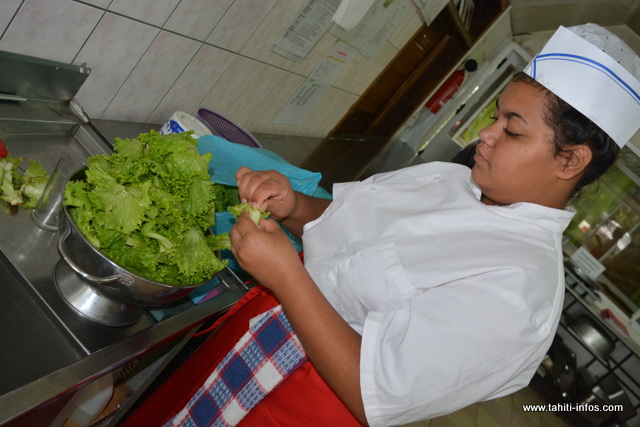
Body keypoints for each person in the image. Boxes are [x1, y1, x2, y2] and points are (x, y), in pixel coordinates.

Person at [121, 23, 640, 427]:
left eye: (512, 129)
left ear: (569, 161)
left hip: (292, 404)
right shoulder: (449, 182)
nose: (485, 134)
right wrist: (295, 207)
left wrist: (287, 276)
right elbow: (348, 238)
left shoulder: (521, 294)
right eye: (496, 116)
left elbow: (377, 395)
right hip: (245, 342)